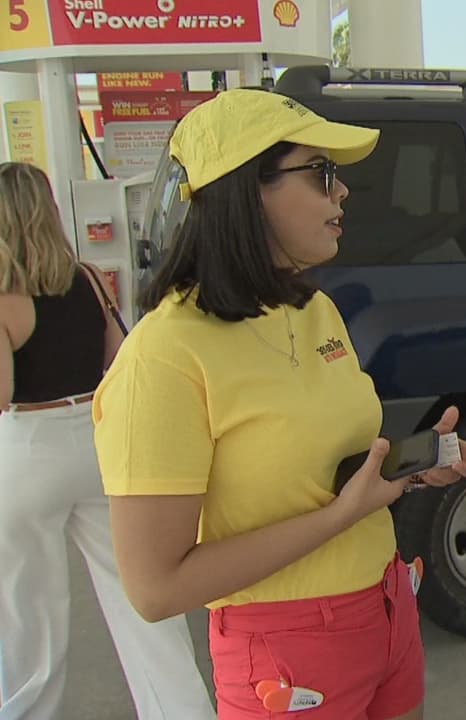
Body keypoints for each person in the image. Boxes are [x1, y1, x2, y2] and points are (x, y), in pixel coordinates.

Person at [92, 89, 466, 720]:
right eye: (321, 173)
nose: (343, 193)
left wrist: (407, 467)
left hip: (386, 608)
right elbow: (155, 588)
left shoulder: (314, 310)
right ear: (248, 190)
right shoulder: (163, 356)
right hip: (285, 649)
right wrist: (339, 516)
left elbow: (314, 466)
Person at [0, 162, 213, 719]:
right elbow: (120, 362)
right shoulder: (87, 278)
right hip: (94, 445)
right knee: (141, 596)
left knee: (30, 616)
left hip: (27, 450)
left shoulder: (3, 298)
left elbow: (1, 394)